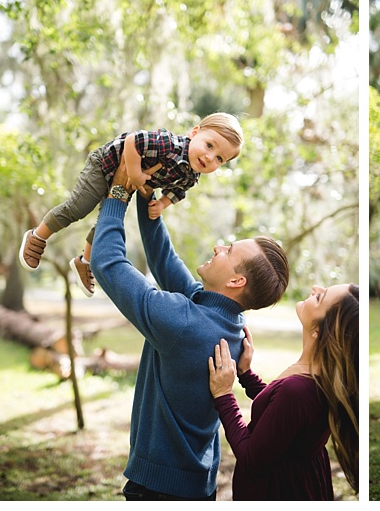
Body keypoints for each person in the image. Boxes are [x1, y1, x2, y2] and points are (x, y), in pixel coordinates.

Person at [89, 154, 290, 501]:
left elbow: (107, 263)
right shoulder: (227, 321)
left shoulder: (184, 323)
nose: (218, 246)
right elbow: (165, 260)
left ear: (236, 280)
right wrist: (146, 189)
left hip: (159, 492)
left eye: (228, 251)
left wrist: (119, 191)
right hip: (197, 485)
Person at [20, 112, 244, 297]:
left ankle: (84, 261)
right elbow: (133, 141)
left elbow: (178, 191)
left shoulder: (192, 175)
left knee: (105, 224)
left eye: (220, 159)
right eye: (209, 145)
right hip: (106, 165)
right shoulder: (170, 146)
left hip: (128, 185)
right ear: (194, 133)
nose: (209, 157)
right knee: (79, 207)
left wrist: (163, 204)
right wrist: (136, 174)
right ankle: (37, 235)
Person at [208, 283, 360, 500]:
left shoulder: (298, 390)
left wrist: (223, 395)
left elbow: (251, 459)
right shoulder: (316, 377)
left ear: (318, 331)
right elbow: (283, 417)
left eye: (320, 297)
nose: (315, 287)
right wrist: (246, 375)